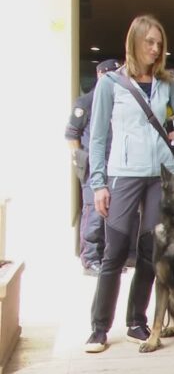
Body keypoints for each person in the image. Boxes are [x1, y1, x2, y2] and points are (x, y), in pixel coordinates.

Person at [85, 15, 174, 353]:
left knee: (150, 251)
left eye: (159, 42)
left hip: (160, 177)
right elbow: (99, 137)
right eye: (149, 41)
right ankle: (99, 328)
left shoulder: (167, 85)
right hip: (124, 174)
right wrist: (98, 183)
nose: (155, 48)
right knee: (114, 252)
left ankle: (137, 320)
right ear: (133, 42)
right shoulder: (111, 84)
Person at [65, 59, 120, 277]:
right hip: (93, 167)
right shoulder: (86, 102)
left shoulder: (118, 101)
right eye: (112, 75)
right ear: (101, 75)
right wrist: (81, 160)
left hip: (114, 166)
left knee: (111, 213)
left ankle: (106, 259)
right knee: (93, 212)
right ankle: (89, 259)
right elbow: (71, 134)